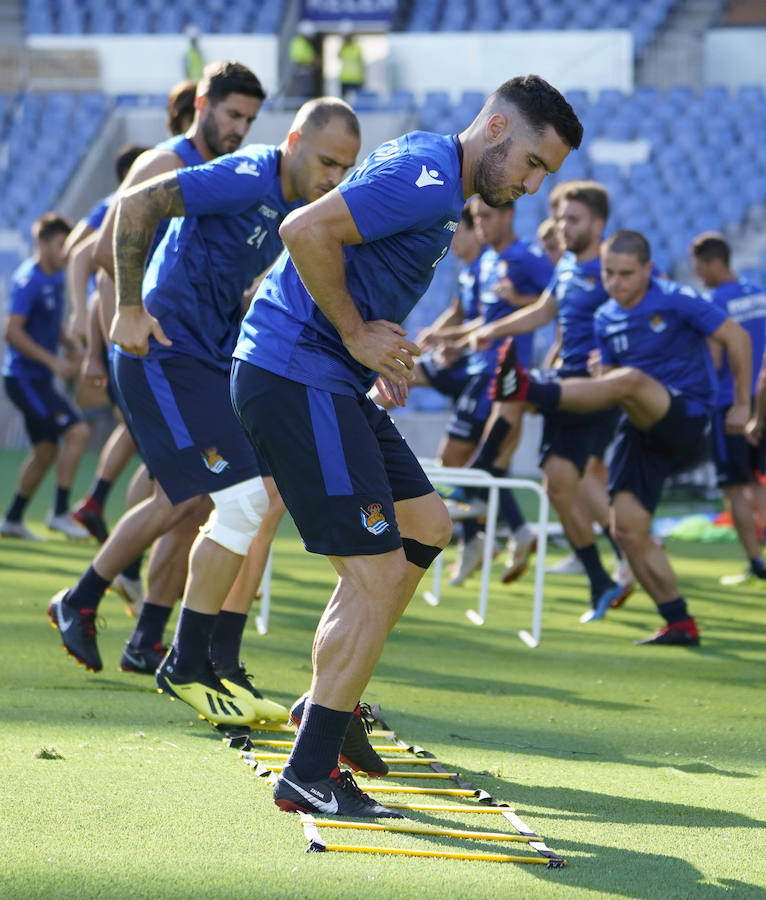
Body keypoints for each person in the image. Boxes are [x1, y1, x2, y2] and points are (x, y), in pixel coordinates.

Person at [230, 74, 582, 817]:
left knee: (428, 524)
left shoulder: (432, 178)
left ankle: (332, 704)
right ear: (494, 128)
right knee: (375, 577)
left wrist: (377, 352)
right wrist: (357, 334)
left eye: (544, 173)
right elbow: (303, 231)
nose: (531, 183)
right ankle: (311, 769)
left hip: (323, 374)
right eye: (532, 163)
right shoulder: (428, 180)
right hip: (296, 375)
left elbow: (350, 264)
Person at [48, 98, 362, 732]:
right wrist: (127, 308)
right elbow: (136, 203)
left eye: (345, 168)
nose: (334, 177)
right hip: (163, 354)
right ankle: (182, 656)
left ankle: (172, 643)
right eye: (327, 161)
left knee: (227, 499)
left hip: (204, 360)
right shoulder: (247, 173)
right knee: (240, 502)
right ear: (294, 141)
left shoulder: (294, 203)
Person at [496, 229, 751, 645]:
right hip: (642, 428)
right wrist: (597, 382)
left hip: (687, 415)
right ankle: (678, 622)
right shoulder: (604, 318)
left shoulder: (676, 297)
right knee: (628, 530)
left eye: (626, 274)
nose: (615, 283)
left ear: (648, 269)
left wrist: (742, 405)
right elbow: (609, 388)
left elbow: (736, 338)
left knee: (629, 379)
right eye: (609, 274)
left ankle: (528, 389)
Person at [469, 181, 631, 619]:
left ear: (598, 224)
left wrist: (617, 355)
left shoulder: (613, 269)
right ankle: (602, 581)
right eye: (560, 218)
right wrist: (492, 330)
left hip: (594, 391)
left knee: (517, 390)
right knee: (558, 483)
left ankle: (478, 481)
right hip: (564, 381)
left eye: (573, 219)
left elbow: (642, 314)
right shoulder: (566, 267)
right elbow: (543, 311)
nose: (563, 226)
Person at [1, 213, 91, 541]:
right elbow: (11, 330)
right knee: (78, 431)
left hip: (36, 380)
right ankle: (60, 513)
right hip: (24, 379)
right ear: (42, 244)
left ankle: (11, 519)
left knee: (46, 450)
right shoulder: (31, 280)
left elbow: (49, 326)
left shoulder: (54, 278)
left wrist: (70, 344)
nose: (66, 252)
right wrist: (54, 362)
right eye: (60, 245)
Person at [691, 232, 766, 585]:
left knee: (735, 487)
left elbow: (715, 356)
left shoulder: (714, 302)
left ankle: (756, 563)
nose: (698, 274)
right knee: (759, 479)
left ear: (714, 262)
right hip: (761, 396)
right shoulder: (759, 293)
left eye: (700, 267)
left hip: (730, 403)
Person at [288, 21, 319, 99]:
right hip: (302, 73)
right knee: (303, 94)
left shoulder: (305, 43)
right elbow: (298, 61)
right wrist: (312, 62)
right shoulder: (298, 43)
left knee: (308, 93)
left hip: (307, 73)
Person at [338, 21, 364, 99]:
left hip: (357, 79)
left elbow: (361, 62)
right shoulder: (343, 47)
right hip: (345, 78)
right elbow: (338, 55)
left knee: (358, 100)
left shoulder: (357, 47)